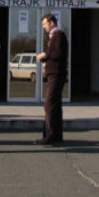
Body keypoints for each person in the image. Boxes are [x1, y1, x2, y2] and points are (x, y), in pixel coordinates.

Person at [35, 13, 68, 146]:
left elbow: (58, 54)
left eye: (45, 24)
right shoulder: (54, 36)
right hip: (55, 74)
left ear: (52, 22)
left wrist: (45, 55)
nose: (44, 27)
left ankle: (50, 136)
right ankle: (57, 135)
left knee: (49, 104)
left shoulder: (58, 35)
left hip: (56, 74)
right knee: (55, 105)